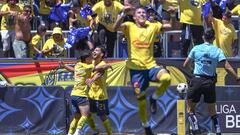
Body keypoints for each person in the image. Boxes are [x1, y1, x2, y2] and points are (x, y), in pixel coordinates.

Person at [114, 7, 171, 135]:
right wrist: (122, 14)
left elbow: (168, 27)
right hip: (136, 70)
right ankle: (146, 125)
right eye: (139, 13)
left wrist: (170, 15)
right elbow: (115, 27)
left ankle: (154, 98)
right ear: (134, 17)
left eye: (144, 12)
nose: (142, 14)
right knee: (140, 96)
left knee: (167, 78)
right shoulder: (129, 26)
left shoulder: (152, 26)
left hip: (151, 66)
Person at [183, 28, 240, 135]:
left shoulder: (196, 48)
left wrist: (192, 73)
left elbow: (185, 65)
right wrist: (237, 78)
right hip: (209, 82)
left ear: (203, 37)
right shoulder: (218, 51)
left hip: (197, 80)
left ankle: (195, 128)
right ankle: (217, 129)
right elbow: (227, 66)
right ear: (214, 38)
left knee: (190, 109)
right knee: (212, 109)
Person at [86, 46, 113, 135]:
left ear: (102, 54)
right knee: (86, 113)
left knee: (102, 116)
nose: (94, 51)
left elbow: (100, 72)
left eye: (97, 50)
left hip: (100, 95)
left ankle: (110, 133)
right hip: (91, 94)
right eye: (94, 50)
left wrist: (91, 79)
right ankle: (95, 131)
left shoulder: (103, 64)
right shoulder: (92, 62)